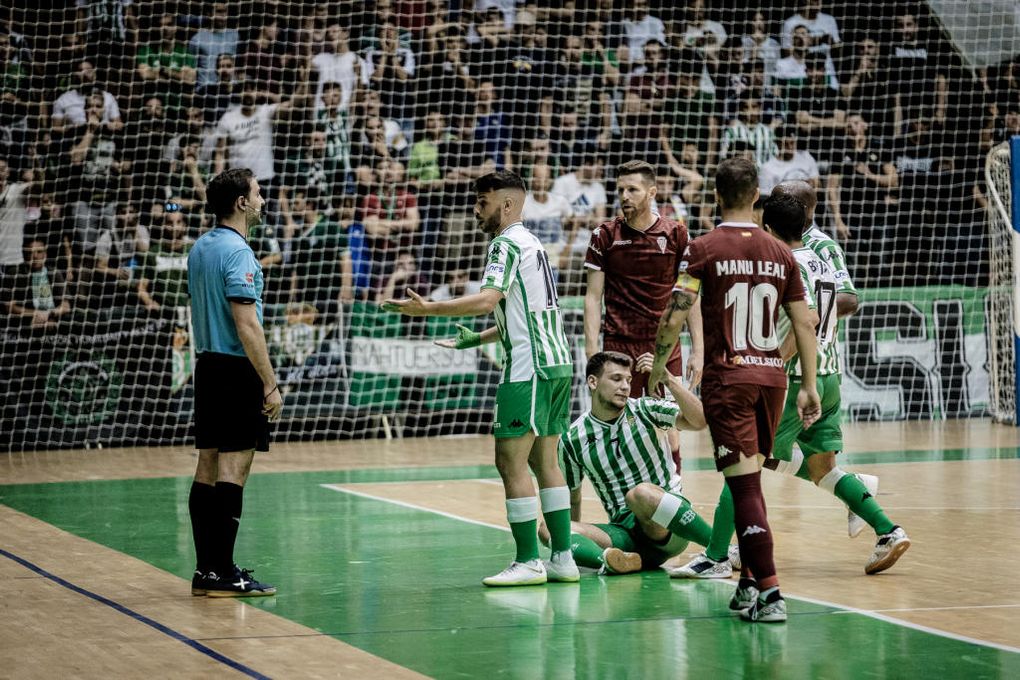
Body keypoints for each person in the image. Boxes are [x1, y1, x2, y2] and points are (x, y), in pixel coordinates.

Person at [672, 192, 910, 582]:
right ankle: (888, 529)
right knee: (821, 468)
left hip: (796, 378)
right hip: (828, 374)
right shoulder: (819, 256)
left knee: (742, 463)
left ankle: (715, 556)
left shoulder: (785, 263)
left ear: (767, 228)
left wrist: (775, 364)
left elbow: (808, 319)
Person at [383, 170, 578, 587]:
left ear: (506, 204)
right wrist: (480, 339)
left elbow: (489, 299)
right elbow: (525, 311)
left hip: (528, 367)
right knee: (546, 461)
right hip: (558, 361)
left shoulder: (504, 243)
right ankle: (563, 558)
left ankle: (528, 560)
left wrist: (429, 310)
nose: (476, 209)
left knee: (509, 460)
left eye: (482, 202)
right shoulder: (534, 243)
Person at [647, 157, 821, 623]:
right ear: (756, 195)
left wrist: (659, 367)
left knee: (742, 486)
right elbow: (806, 321)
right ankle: (747, 585)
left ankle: (771, 592)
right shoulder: (782, 252)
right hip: (773, 380)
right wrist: (808, 385)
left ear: (717, 195)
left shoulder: (703, 248)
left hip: (730, 378)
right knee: (752, 483)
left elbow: (677, 311)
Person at [548, 351, 737, 575]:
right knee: (550, 529)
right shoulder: (572, 438)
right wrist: (571, 539)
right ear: (593, 382)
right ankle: (612, 559)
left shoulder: (645, 409)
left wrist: (669, 380)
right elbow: (572, 497)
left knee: (640, 494)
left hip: (667, 525)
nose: (625, 386)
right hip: (624, 535)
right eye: (616, 379)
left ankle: (723, 549)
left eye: (628, 380)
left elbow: (699, 421)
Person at [187, 167, 282, 598]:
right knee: (233, 469)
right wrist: (269, 382)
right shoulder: (238, 252)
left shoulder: (201, 247)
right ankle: (223, 572)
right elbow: (247, 325)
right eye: (258, 194)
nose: (263, 200)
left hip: (206, 365)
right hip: (234, 368)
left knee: (206, 467)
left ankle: (207, 570)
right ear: (242, 202)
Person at [584, 160, 703, 401]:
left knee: (668, 430)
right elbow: (593, 297)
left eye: (632, 190)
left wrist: (698, 350)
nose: (624, 196)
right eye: (620, 190)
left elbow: (689, 297)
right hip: (617, 348)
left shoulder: (677, 234)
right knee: (617, 429)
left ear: (652, 193)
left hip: (664, 348)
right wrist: (591, 350)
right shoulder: (604, 236)